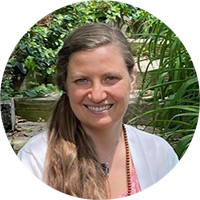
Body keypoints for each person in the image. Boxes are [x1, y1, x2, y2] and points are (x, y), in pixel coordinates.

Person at [6, 23, 185, 200]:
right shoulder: (35, 160)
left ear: (132, 79)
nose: (97, 95)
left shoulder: (160, 156)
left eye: (110, 78)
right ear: (65, 85)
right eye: (82, 80)